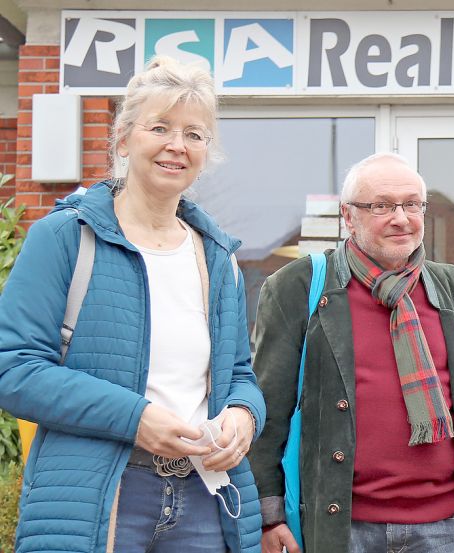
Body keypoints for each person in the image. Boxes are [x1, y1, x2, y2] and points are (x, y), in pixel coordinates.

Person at [248, 152, 454, 553]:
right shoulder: (297, 288)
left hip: (451, 531)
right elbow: (269, 409)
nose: (401, 218)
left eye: (411, 204)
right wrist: (269, 516)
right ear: (347, 216)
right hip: (341, 528)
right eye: (382, 205)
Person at [0, 56, 265, 552]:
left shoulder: (218, 258)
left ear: (208, 151)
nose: (176, 146)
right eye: (160, 127)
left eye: (194, 133)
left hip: (205, 497)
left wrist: (244, 417)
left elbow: (240, 376)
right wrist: (136, 418)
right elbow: (12, 370)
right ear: (123, 138)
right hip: (99, 496)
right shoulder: (64, 238)